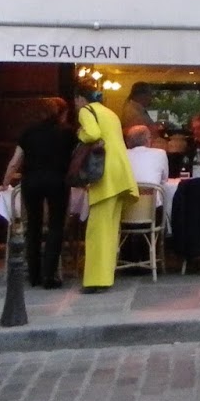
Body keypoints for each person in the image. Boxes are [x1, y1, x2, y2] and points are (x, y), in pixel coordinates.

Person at [1, 97, 73, 289]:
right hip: (57, 181)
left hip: (31, 181)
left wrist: (5, 183)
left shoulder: (28, 132)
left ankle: (34, 274)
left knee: (32, 225)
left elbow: (15, 161)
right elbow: (75, 158)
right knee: (56, 226)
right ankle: (50, 275)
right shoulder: (67, 132)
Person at [75, 89, 138, 293]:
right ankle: (106, 275)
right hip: (120, 174)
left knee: (97, 231)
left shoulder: (86, 110)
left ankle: (95, 280)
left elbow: (92, 134)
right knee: (110, 231)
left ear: (80, 98)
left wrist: (79, 133)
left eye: (75, 99)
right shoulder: (110, 113)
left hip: (104, 176)